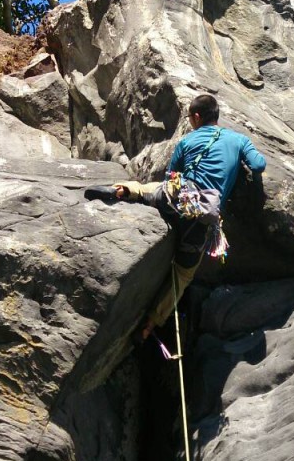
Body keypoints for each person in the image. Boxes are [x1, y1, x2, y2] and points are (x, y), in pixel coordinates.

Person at [86, 93, 266, 340]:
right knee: (182, 274)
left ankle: (122, 190)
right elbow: (258, 165)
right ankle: (151, 323)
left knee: (149, 189)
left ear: (197, 117)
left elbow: (173, 176)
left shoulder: (187, 141)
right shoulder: (239, 140)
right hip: (202, 219)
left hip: (177, 199)